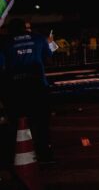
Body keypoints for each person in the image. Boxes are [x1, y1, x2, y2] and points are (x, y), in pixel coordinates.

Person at [0, 19, 54, 163]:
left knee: (16, 124)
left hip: (15, 89)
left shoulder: (5, 43)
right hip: (38, 86)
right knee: (42, 123)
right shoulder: (38, 39)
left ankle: (15, 156)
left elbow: (1, 67)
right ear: (25, 28)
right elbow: (49, 60)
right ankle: (45, 155)